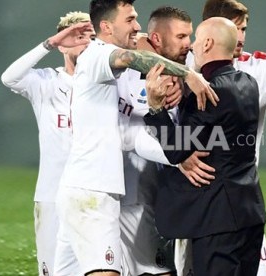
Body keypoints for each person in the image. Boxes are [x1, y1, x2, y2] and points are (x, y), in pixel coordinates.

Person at [54, 0, 218, 275]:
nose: (137, 27)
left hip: (92, 191)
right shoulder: (97, 55)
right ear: (106, 26)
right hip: (91, 192)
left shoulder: (113, 75)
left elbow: (129, 135)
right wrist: (187, 73)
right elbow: (133, 56)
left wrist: (175, 157)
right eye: (130, 19)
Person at [176, 0, 266, 275]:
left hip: (236, 195)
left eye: (244, 28)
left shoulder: (257, 66)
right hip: (191, 198)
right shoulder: (182, 61)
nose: (240, 37)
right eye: (235, 28)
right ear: (210, 32)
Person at [143, 17, 266, 276]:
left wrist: (155, 108)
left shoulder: (207, 93)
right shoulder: (248, 83)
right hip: (250, 211)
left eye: (197, 40)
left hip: (217, 219)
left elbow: (177, 150)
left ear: (208, 43)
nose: (191, 46)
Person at [0, 11, 94, 276]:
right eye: (77, 37)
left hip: (95, 194)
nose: (86, 43)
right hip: (52, 195)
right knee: (52, 270)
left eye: (91, 37)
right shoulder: (46, 82)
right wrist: (49, 44)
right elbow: (10, 78)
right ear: (62, 44)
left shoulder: (108, 83)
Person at [117, 6, 193, 275]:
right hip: (134, 190)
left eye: (189, 36)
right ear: (157, 40)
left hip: (165, 193)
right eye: (181, 37)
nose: (188, 44)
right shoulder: (127, 66)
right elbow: (139, 44)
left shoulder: (184, 65)